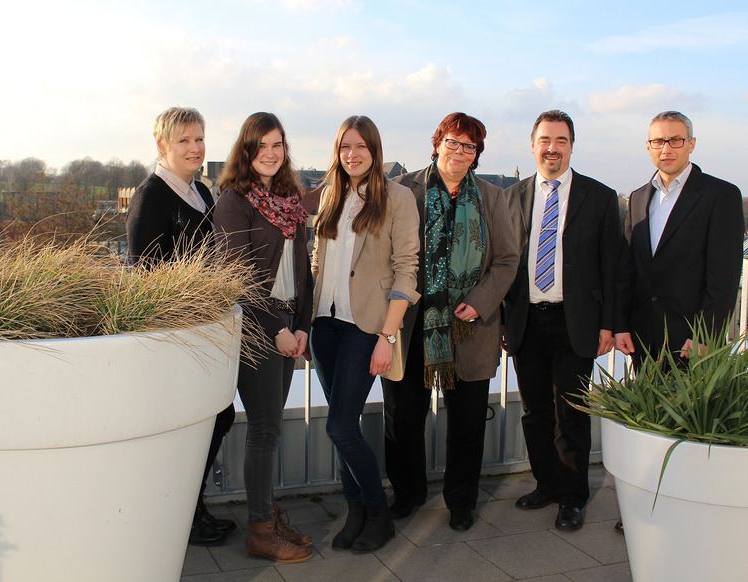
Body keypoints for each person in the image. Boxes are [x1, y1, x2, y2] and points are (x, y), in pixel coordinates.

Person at [381, 112, 519, 532]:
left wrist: (479, 303)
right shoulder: (404, 189)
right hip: (412, 324)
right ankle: (407, 494)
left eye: (469, 146)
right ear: (437, 142)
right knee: (402, 418)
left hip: (470, 327)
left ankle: (461, 501)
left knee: (468, 422)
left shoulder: (493, 197)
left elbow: (507, 259)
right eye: (453, 142)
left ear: (477, 154)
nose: (459, 152)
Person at [612, 111, 745, 533]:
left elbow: (724, 277)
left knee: (690, 426)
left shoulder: (720, 195)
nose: (665, 149)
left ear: (691, 144)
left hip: (691, 337)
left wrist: (706, 335)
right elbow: (629, 270)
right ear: (648, 146)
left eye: (674, 140)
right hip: (646, 334)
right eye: (657, 142)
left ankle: (687, 511)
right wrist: (622, 324)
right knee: (650, 425)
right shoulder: (637, 197)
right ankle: (647, 507)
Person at [502, 110, 620, 531]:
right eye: (545, 140)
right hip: (526, 320)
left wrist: (609, 323)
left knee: (571, 411)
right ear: (533, 144)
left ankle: (573, 497)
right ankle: (546, 484)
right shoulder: (511, 197)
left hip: (577, 322)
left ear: (572, 145)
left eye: (561, 141)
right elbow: (501, 263)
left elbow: (613, 265)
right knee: (535, 411)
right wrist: (502, 320)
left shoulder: (600, 197)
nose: (552, 149)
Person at [126, 106, 236, 546]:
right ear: (162, 147)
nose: (195, 148)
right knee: (201, 420)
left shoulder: (202, 193)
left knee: (217, 416)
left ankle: (190, 508)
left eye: (200, 139)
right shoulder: (151, 197)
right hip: (176, 338)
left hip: (206, 331)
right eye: (184, 141)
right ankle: (182, 514)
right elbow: (147, 278)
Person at [310, 115, 420, 552]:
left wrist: (387, 337)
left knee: (339, 426)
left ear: (374, 150)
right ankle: (354, 510)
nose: (351, 155)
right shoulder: (330, 195)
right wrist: (307, 323)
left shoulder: (397, 197)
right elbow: (319, 263)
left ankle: (377, 511)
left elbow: (407, 270)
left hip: (366, 327)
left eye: (360, 146)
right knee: (345, 425)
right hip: (325, 326)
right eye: (344, 147)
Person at [214, 112, 313, 563]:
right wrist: (277, 330)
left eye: (278, 145)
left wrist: (303, 327)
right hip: (259, 329)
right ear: (247, 151)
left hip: (290, 325)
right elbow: (239, 278)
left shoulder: (290, 199)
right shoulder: (234, 202)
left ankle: (266, 514)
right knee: (264, 428)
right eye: (262, 146)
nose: (272, 154)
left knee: (269, 427)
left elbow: (304, 271)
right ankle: (260, 530)